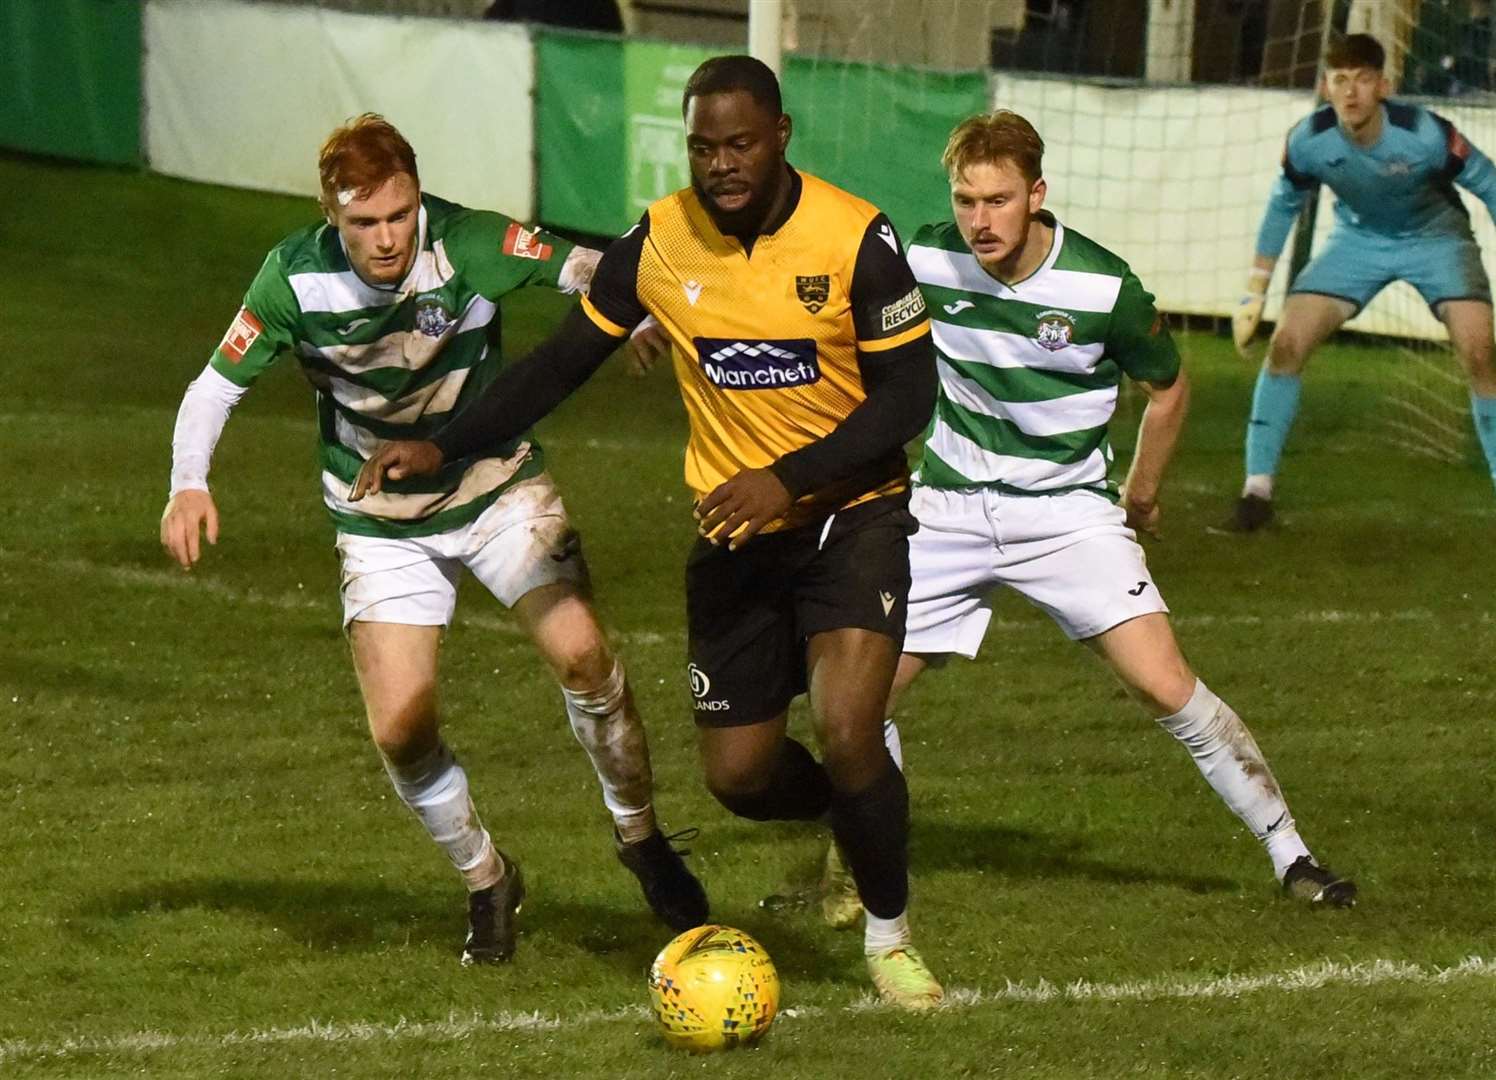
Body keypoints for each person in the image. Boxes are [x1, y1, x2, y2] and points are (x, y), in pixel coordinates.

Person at [352, 56, 946, 1010]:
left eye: (740, 144)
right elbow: (560, 362)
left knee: (846, 726)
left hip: (851, 517)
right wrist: (446, 446)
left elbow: (909, 395)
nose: (721, 165)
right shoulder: (661, 241)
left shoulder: (855, 239)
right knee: (741, 778)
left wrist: (788, 477)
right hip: (735, 535)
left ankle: (890, 941)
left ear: (782, 134)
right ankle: (860, 809)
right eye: (703, 147)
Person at [158, 113, 706, 966]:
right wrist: (187, 482)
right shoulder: (292, 281)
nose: (386, 238)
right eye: (363, 223)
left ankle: (639, 836)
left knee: (587, 661)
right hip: (380, 518)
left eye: (400, 215)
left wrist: (635, 320)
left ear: (420, 199)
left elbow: (588, 269)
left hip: (497, 486)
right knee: (402, 731)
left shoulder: (470, 241)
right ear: (330, 218)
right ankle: (487, 877)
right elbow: (213, 386)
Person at [813, 108, 1357, 930]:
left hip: (1067, 516)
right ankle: (858, 873)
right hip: (948, 511)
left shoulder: (1106, 288)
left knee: (1164, 684)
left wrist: (1140, 494)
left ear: (1037, 194)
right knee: (857, 707)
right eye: (965, 199)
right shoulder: (925, 257)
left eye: (997, 200)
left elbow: (1169, 387)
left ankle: (1292, 854)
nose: (979, 220)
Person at [1229, 32, 1496, 531]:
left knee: (1481, 351)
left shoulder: (1426, 134)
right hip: (1357, 242)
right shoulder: (1308, 140)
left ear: (1384, 86)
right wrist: (1255, 289)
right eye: (1341, 80)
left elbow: (1489, 184)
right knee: (1287, 344)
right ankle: (1256, 492)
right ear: (1326, 87)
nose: (1351, 92)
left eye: (1363, 80)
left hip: (1439, 240)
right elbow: (1283, 204)